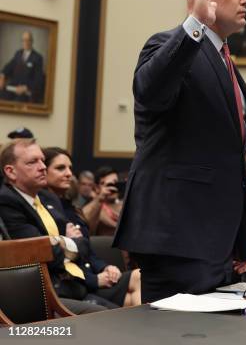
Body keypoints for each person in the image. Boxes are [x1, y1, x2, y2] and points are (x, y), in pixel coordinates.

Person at [113, 0, 246, 303]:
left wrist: (242, 231)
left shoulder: (222, 58)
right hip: (176, 234)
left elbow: (227, 161)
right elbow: (151, 92)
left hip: (215, 241)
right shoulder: (169, 45)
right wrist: (194, 24)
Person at [0, 139, 108, 307]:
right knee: (109, 314)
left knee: (135, 290)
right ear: (11, 172)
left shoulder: (49, 198)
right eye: (32, 162)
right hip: (42, 293)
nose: (42, 166)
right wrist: (67, 242)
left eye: (42, 160)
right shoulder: (6, 201)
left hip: (73, 283)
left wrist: (62, 243)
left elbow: (83, 244)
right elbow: (43, 252)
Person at [43, 147, 141, 307]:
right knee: (131, 297)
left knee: (139, 277)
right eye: (61, 168)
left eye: (70, 168)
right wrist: (94, 280)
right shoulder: (44, 210)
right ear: (44, 171)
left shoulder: (69, 208)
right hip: (77, 284)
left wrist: (106, 267)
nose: (69, 173)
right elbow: (59, 261)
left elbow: (87, 250)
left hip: (91, 276)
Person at [0, 31, 45, 103]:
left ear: (32, 41)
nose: (26, 42)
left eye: (28, 40)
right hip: (13, 88)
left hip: (26, 91)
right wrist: (2, 76)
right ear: (22, 42)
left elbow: (38, 79)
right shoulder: (18, 53)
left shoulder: (38, 58)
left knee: (18, 102)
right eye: (24, 40)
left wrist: (25, 88)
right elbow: (8, 66)